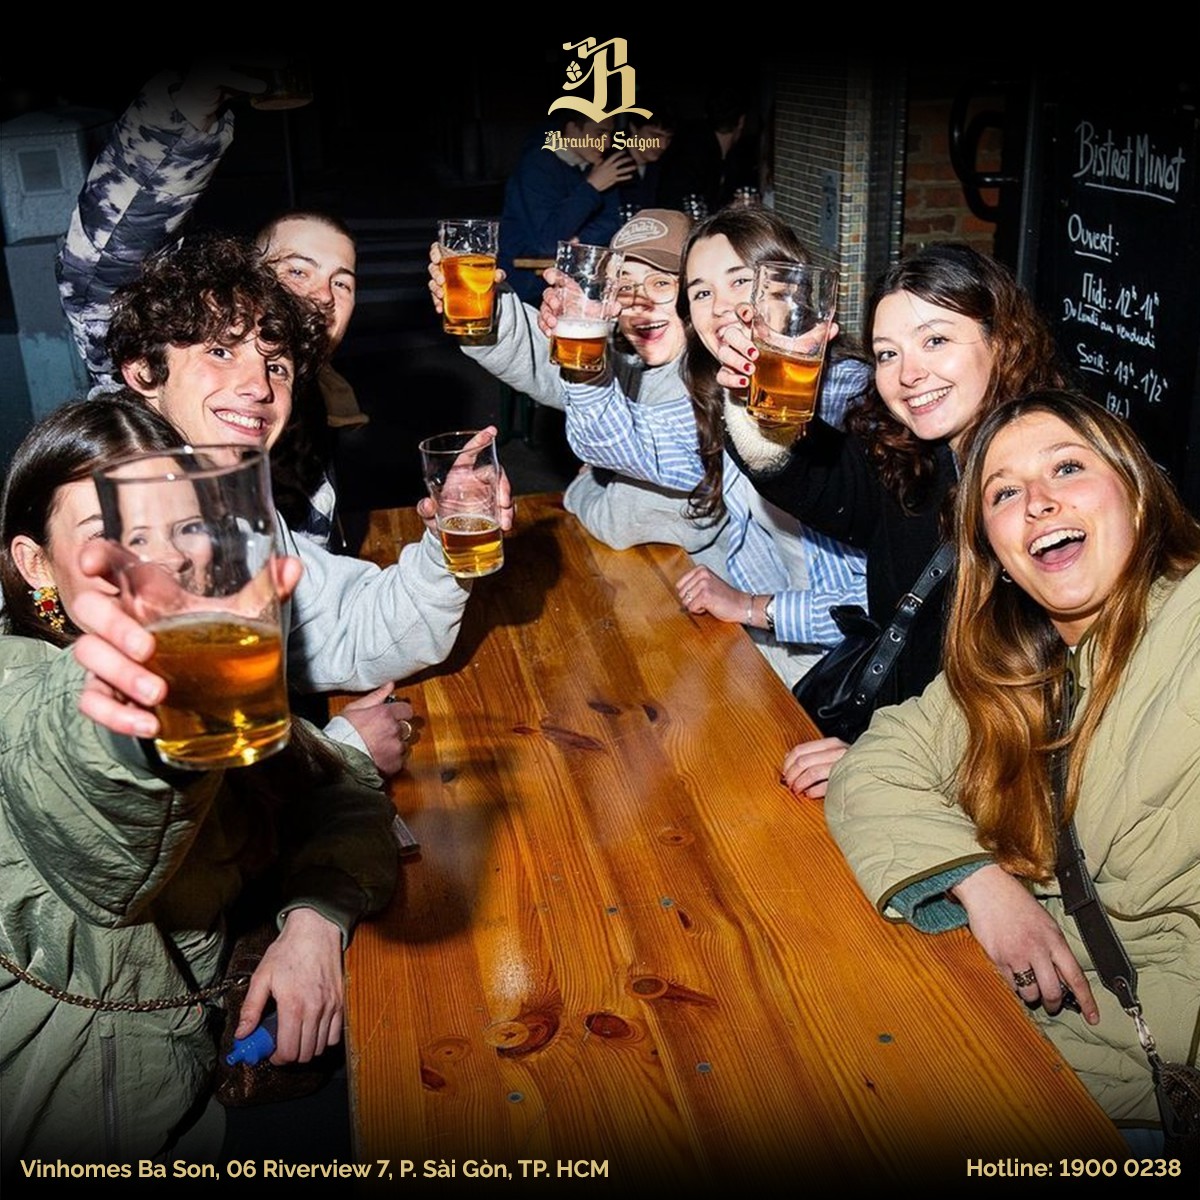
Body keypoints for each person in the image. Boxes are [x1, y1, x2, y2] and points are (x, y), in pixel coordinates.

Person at [0, 396, 398, 1168]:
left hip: (208, 1059)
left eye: (182, 527)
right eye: (118, 536)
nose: (168, 560)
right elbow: (80, 790)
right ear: (36, 563)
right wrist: (136, 733)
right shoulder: (22, 690)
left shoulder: (204, 666)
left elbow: (338, 783)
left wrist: (316, 918)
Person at [825, 391, 1200, 1143]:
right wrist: (982, 882)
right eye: (1003, 493)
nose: (1037, 502)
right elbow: (876, 764)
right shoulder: (1015, 668)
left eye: (1067, 468)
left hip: (1142, 1089)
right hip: (1030, 1048)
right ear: (992, 554)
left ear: (1136, 489)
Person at [76, 234, 506, 765]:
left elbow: (346, 629)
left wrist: (445, 541)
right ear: (144, 370)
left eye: (276, 366)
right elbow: (119, 773)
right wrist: (341, 753)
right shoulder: (97, 515)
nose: (259, 387)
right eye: (220, 351)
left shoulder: (228, 502)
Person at [715, 242, 1069, 794]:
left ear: (1001, 341)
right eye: (887, 354)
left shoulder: (1051, 488)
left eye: (935, 340)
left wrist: (885, 761)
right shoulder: (915, 461)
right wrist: (755, 388)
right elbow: (803, 477)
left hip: (966, 781)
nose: (908, 374)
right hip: (884, 741)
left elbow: (1044, 689)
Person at [553, 207, 870, 688]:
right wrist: (584, 342)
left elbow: (882, 603)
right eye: (701, 292)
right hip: (773, 651)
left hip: (848, 671)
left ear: (792, 289)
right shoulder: (725, 399)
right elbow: (613, 441)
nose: (720, 307)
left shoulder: (847, 396)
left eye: (740, 281)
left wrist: (753, 607)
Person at [55, 64, 367, 550]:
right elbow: (100, 268)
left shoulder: (304, 400)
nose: (322, 296)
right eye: (298, 270)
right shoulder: (150, 393)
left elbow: (310, 570)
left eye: (341, 283)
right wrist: (181, 116)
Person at [429, 208, 729, 573]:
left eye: (662, 283)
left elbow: (627, 520)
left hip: (705, 585)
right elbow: (545, 359)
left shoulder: (711, 380)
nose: (639, 300)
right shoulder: (629, 357)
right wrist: (485, 303)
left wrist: (585, 485)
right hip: (642, 573)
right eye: (624, 285)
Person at [499, 115, 636, 304]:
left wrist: (576, 243)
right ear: (572, 129)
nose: (606, 142)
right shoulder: (536, 165)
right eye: (600, 133)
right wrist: (592, 187)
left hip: (577, 284)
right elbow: (547, 241)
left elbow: (612, 224)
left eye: (610, 135)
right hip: (525, 291)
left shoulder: (597, 167)